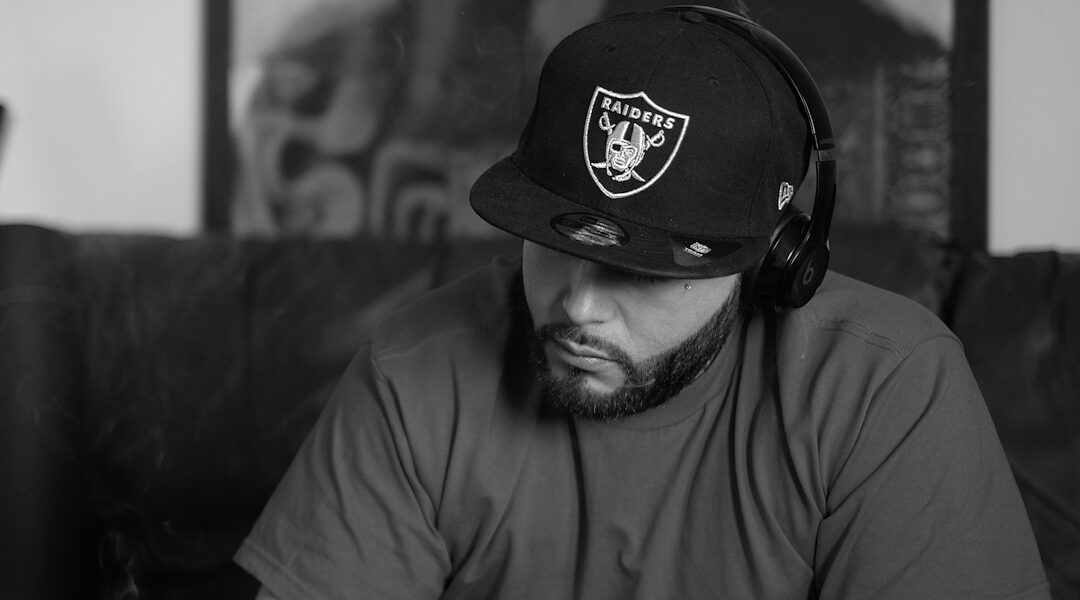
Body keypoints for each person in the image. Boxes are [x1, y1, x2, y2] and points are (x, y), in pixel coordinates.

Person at [235, 6, 1050, 599]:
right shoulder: (417, 368)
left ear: (771, 262)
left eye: (642, 270)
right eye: (559, 244)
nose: (580, 306)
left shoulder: (887, 387)